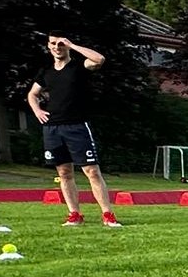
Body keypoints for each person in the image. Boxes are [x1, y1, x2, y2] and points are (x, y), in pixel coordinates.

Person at [28, 33, 121, 228]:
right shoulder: (45, 71)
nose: (57, 47)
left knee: (92, 171)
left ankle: (108, 215)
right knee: (64, 173)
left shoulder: (79, 66)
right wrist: (37, 110)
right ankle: (74, 214)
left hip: (77, 126)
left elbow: (99, 59)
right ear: (48, 46)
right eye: (53, 43)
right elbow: (32, 94)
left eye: (61, 43)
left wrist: (73, 45)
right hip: (53, 127)